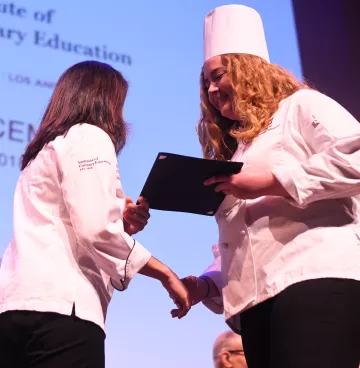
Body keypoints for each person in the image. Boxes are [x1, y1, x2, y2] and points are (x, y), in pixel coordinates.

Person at [181, 5, 360, 368]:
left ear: (249, 69)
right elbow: (248, 238)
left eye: (219, 76)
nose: (212, 89)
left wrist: (273, 181)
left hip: (314, 278)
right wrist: (208, 285)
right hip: (255, 304)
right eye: (206, 83)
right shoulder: (239, 150)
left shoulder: (300, 106)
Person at [0, 60, 190, 368]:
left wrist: (121, 226)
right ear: (104, 100)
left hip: (14, 310)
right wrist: (164, 273)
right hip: (63, 311)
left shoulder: (43, 150)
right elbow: (96, 230)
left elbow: (72, 226)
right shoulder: (90, 135)